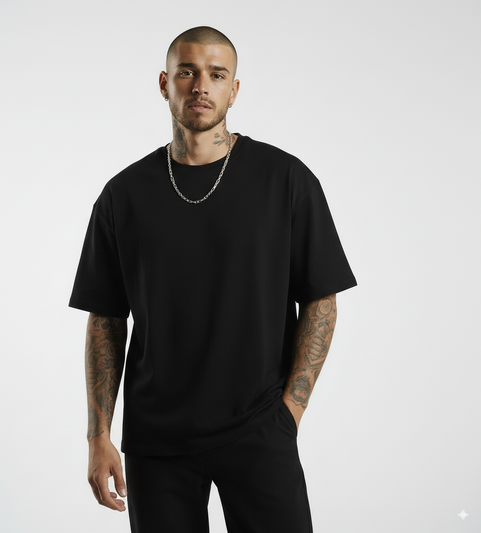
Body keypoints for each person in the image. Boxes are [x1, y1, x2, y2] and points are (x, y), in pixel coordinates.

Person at [69, 26, 356, 533]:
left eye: (217, 74)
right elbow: (106, 320)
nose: (201, 85)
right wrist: (98, 436)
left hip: (259, 428)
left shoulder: (285, 180)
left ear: (234, 89)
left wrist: (290, 411)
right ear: (165, 84)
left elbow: (321, 299)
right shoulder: (123, 195)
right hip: (157, 442)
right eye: (187, 71)